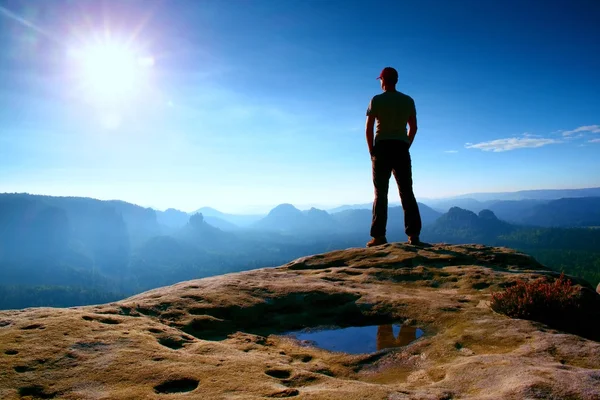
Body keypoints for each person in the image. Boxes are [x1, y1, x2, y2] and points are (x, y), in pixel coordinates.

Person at [365, 67, 422, 247]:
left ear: (383, 80)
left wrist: (371, 150)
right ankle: (413, 235)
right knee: (406, 191)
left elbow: (369, 128)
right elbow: (413, 128)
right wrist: (406, 144)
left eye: (380, 79)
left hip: (381, 147)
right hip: (400, 147)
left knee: (380, 193)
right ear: (396, 81)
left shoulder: (376, 100)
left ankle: (378, 236)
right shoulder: (408, 100)